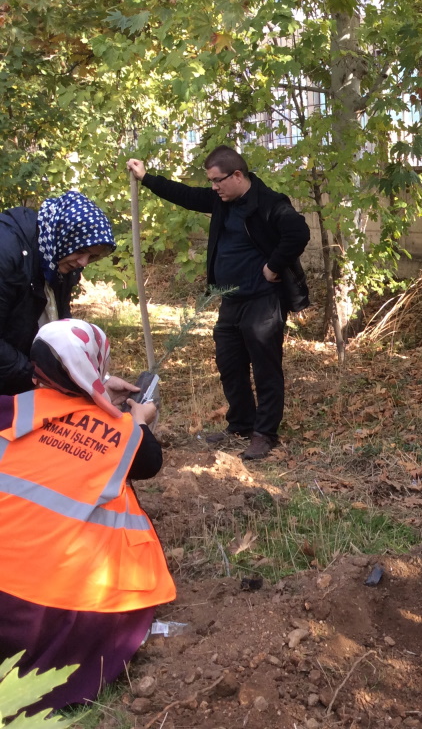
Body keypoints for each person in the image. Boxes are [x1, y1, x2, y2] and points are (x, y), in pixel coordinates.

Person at [0, 319, 175, 712]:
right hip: (44, 613)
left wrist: (95, 390)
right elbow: (149, 460)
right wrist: (140, 421)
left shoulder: (12, 408)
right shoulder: (123, 433)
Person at [127, 147, 310, 460]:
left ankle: (264, 434)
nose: (213, 187)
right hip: (231, 299)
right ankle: (240, 424)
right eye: (210, 181)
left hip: (262, 302)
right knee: (229, 365)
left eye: (217, 180)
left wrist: (273, 266)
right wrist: (146, 178)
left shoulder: (269, 203)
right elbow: (185, 194)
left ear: (237, 175)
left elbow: (299, 233)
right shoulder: (222, 201)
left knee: (266, 369)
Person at [0, 191, 138, 402]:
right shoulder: (7, 252)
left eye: (91, 256)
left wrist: (96, 382)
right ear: (63, 235)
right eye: (81, 251)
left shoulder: (58, 259)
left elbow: (58, 335)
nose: (83, 262)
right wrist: (37, 379)